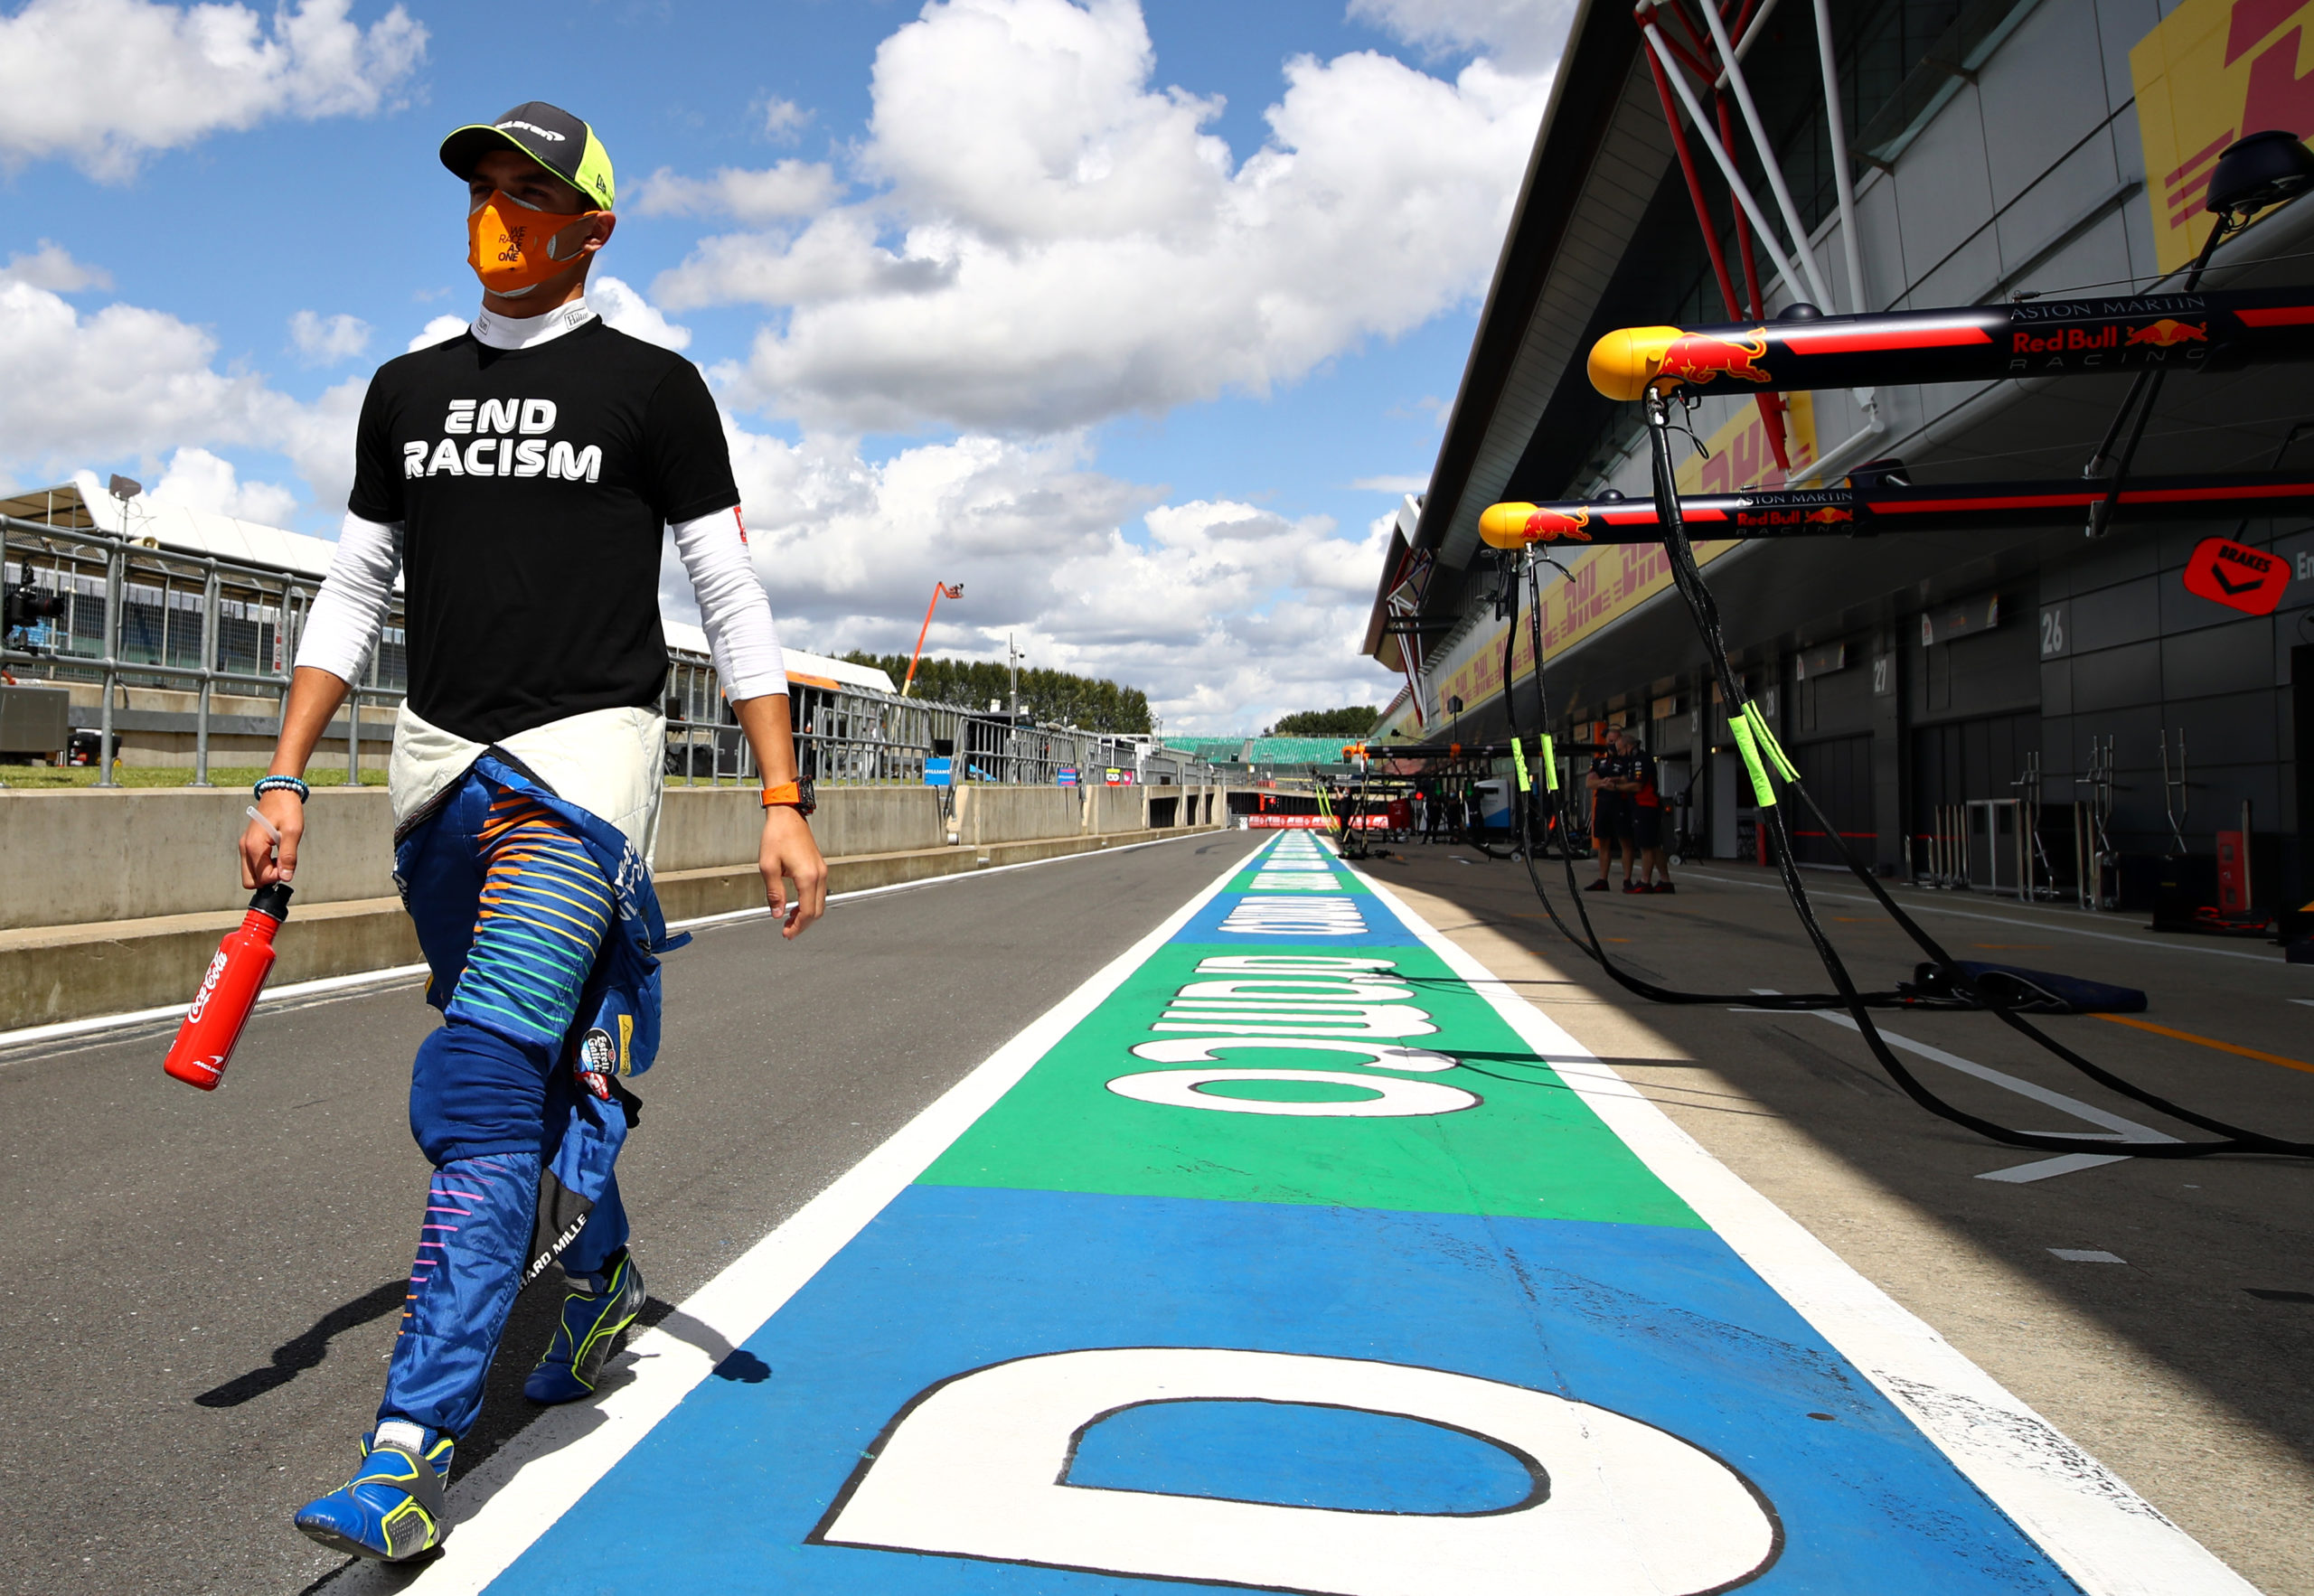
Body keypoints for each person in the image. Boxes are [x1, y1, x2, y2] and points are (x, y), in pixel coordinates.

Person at [243, 101, 829, 1563]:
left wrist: (779, 796)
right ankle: (607, 1274)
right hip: (436, 770)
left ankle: (409, 1448)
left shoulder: (654, 387)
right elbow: (352, 590)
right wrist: (285, 776)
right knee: (542, 1064)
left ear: (590, 228)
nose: (496, 214)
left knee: (482, 1074)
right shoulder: (403, 389)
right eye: (483, 190)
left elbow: (730, 599)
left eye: (527, 194)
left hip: (582, 766)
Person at [1585, 730, 1637, 890]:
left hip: (1620, 803)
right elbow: (1589, 782)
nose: (1612, 743)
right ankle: (1602, 879)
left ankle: (1627, 880)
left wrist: (1610, 781)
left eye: (1615, 740)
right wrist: (1602, 783)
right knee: (1603, 842)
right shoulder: (1599, 761)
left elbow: (1626, 779)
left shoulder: (1626, 760)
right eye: (1609, 740)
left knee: (1625, 842)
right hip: (1602, 804)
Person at [1627, 731, 1675, 893]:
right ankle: (1665, 880)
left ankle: (1645, 881)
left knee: (1646, 846)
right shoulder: (1637, 760)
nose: (1620, 753)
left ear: (1629, 747)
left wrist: (1615, 786)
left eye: (1620, 750)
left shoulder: (1640, 760)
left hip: (1645, 806)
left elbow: (1637, 785)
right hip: (1647, 807)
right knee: (1654, 845)